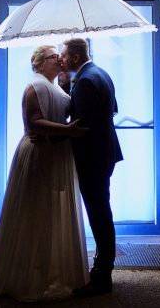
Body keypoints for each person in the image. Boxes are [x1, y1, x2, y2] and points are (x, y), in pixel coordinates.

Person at [0, 45, 89, 302]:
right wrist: (67, 131)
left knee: (51, 211)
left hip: (56, 152)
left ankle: (51, 269)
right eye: (52, 56)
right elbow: (33, 123)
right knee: (34, 209)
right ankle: (26, 272)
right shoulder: (34, 87)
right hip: (38, 153)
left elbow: (65, 110)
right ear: (39, 64)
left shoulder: (57, 86)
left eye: (59, 55)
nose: (58, 58)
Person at [60, 37, 123, 296]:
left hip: (93, 156)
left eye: (63, 56)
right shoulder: (100, 73)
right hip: (105, 153)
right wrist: (67, 90)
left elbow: (81, 125)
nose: (61, 60)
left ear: (75, 57)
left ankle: (101, 277)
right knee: (101, 212)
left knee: (99, 215)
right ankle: (102, 270)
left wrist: (54, 134)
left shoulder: (85, 80)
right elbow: (112, 110)